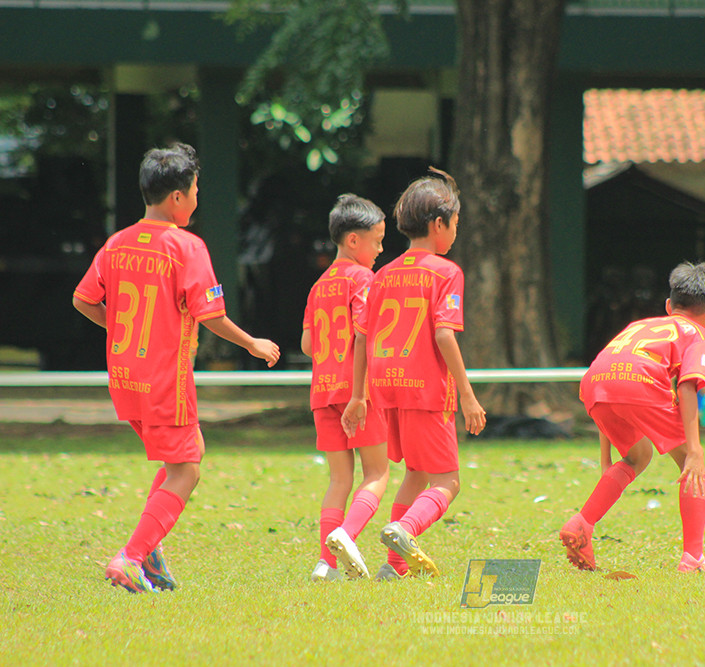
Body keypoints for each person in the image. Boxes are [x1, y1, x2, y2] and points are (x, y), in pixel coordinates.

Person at [72, 143, 280, 593]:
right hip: (166, 379)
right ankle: (131, 557)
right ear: (178, 198)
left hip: (125, 378)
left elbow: (83, 298)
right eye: (197, 190)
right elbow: (211, 315)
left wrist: (120, 330)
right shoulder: (186, 246)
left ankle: (151, 556)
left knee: (182, 457)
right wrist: (252, 343)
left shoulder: (117, 242)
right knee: (187, 469)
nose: (198, 198)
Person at [342, 167, 486, 581]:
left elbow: (363, 337)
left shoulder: (382, 274)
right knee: (448, 481)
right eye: (456, 223)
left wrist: (359, 394)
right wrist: (469, 396)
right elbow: (443, 334)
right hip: (425, 389)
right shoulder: (447, 271)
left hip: (387, 388)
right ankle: (405, 530)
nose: (456, 232)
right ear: (439, 224)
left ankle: (395, 565)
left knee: (416, 474)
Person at [561, 261, 705, 574]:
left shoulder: (640, 325)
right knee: (692, 468)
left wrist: (606, 458)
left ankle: (581, 522)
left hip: (594, 384)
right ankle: (693, 557)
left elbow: (612, 382)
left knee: (637, 456)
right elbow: (689, 385)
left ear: (669, 306)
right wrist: (694, 449)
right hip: (640, 384)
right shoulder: (699, 333)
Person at [301, 194, 390, 582]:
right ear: (354, 240)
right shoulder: (363, 278)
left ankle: (327, 563)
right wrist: (361, 393)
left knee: (339, 479)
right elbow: (363, 333)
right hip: (357, 393)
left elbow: (307, 345)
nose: (381, 248)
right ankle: (346, 534)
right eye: (377, 239)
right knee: (378, 473)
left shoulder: (319, 285)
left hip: (322, 391)